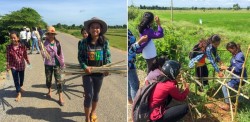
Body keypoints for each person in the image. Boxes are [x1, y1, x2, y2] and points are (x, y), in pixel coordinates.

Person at [78, 17, 111, 122]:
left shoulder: (104, 42)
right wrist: (84, 67)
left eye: (97, 27)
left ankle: (93, 112)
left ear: (100, 29)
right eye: (93, 27)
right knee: (88, 95)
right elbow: (80, 57)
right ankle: (87, 117)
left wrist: (107, 67)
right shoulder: (83, 42)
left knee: (96, 94)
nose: (95, 29)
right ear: (89, 29)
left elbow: (108, 57)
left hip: (99, 73)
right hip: (87, 73)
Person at [220, 42, 247, 111]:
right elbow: (233, 66)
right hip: (235, 77)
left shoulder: (239, 56)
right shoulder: (235, 55)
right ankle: (241, 101)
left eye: (230, 50)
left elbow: (238, 69)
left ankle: (228, 105)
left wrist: (227, 68)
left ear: (234, 48)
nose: (229, 52)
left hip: (239, 78)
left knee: (224, 87)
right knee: (236, 89)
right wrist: (226, 67)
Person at [42, 26, 65, 106]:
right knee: (48, 79)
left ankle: (60, 97)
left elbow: (61, 54)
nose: (51, 35)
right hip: (48, 64)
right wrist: (43, 50)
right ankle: (49, 91)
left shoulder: (58, 43)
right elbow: (43, 55)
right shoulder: (44, 44)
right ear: (47, 35)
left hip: (57, 64)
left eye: (52, 34)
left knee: (59, 81)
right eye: (49, 34)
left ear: (54, 34)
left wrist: (63, 64)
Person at [6, 31, 30, 101]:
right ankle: (18, 93)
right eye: (11, 38)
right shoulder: (9, 47)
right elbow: (8, 57)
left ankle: (20, 86)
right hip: (13, 66)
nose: (13, 39)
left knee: (21, 79)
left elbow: (25, 55)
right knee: (16, 80)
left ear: (18, 38)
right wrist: (8, 65)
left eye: (14, 38)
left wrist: (28, 62)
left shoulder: (22, 46)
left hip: (21, 65)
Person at [128, 29, 148, 104]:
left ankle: (130, 99)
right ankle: (135, 107)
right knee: (134, 85)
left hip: (130, 61)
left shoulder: (128, 30)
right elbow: (130, 50)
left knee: (129, 81)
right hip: (129, 63)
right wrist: (140, 42)